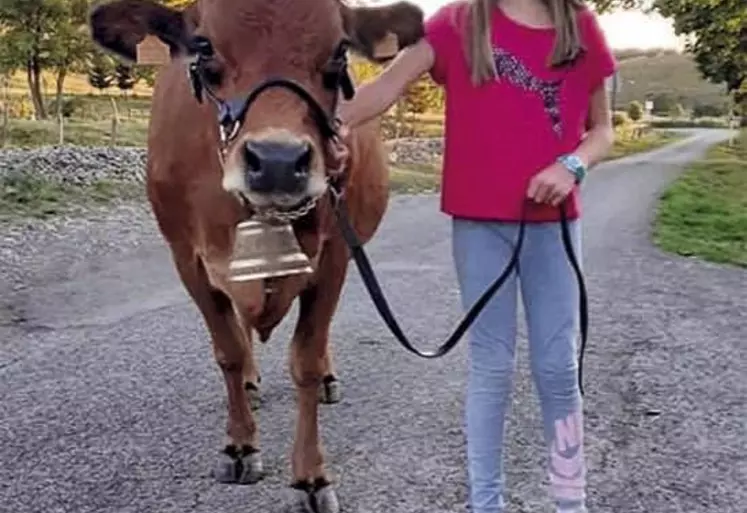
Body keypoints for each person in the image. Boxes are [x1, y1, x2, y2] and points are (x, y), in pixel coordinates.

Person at [331, 0, 616, 512]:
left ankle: (571, 500)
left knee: (557, 367)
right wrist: (324, 125)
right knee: (492, 367)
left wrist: (570, 165)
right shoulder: (457, 23)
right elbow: (382, 91)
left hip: (553, 226)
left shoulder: (580, 24)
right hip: (480, 226)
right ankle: (486, 503)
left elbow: (602, 131)